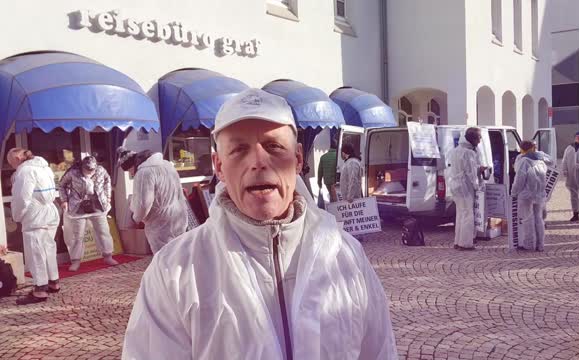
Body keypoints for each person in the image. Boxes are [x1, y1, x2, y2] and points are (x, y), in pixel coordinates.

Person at [122, 88, 397, 359]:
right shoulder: (176, 271)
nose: (258, 161)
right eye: (239, 149)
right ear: (219, 166)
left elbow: (379, 351)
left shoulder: (346, 257)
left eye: (274, 146)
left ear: (298, 159)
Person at [7, 148, 61, 305]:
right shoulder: (44, 167)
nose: (12, 167)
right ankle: (53, 281)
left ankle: (40, 290)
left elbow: (21, 198)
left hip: (35, 214)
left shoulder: (24, 172)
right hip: (50, 211)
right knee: (48, 248)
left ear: (17, 158)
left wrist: (17, 215)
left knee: (35, 251)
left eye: (11, 163)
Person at [117, 147, 188, 254]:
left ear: (132, 165)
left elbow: (144, 204)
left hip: (159, 223)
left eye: (129, 170)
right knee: (179, 254)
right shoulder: (167, 165)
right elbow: (179, 191)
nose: (131, 174)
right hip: (179, 217)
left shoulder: (143, 173)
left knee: (163, 258)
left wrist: (136, 217)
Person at [59, 156, 118, 271]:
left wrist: (108, 196)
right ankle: (75, 260)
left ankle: (108, 256)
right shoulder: (73, 173)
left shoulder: (101, 170)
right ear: (82, 167)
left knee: (103, 231)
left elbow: (107, 180)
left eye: (92, 169)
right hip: (78, 206)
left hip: (98, 205)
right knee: (77, 236)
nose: (91, 171)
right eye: (88, 169)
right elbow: (61, 185)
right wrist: (64, 200)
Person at [447, 127, 486, 251]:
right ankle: (466, 243)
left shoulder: (455, 150)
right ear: (473, 138)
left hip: (455, 184)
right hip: (465, 185)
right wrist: (478, 185)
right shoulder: (468, 152)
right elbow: (471, 173)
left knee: (460, 213)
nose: (480, 140)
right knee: (468, 214)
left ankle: (458, 241)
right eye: (479, 137)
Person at [511, 141, 547, 251]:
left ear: (522, 149)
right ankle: (540, 244)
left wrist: (513, 192)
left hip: (526, 195)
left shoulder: (524, 161)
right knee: (539, 219)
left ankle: (529, 244)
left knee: (527, 219)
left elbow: (519, 180)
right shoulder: (541, 160)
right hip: (539, 194)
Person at [317, 138, 338, 203]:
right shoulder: (338, 156)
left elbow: (320, 171)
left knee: (332, 196)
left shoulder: (323, 157)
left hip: (327, 181)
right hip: (336, 182)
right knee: (337, 198)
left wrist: (319, 182)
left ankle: (331, 210)